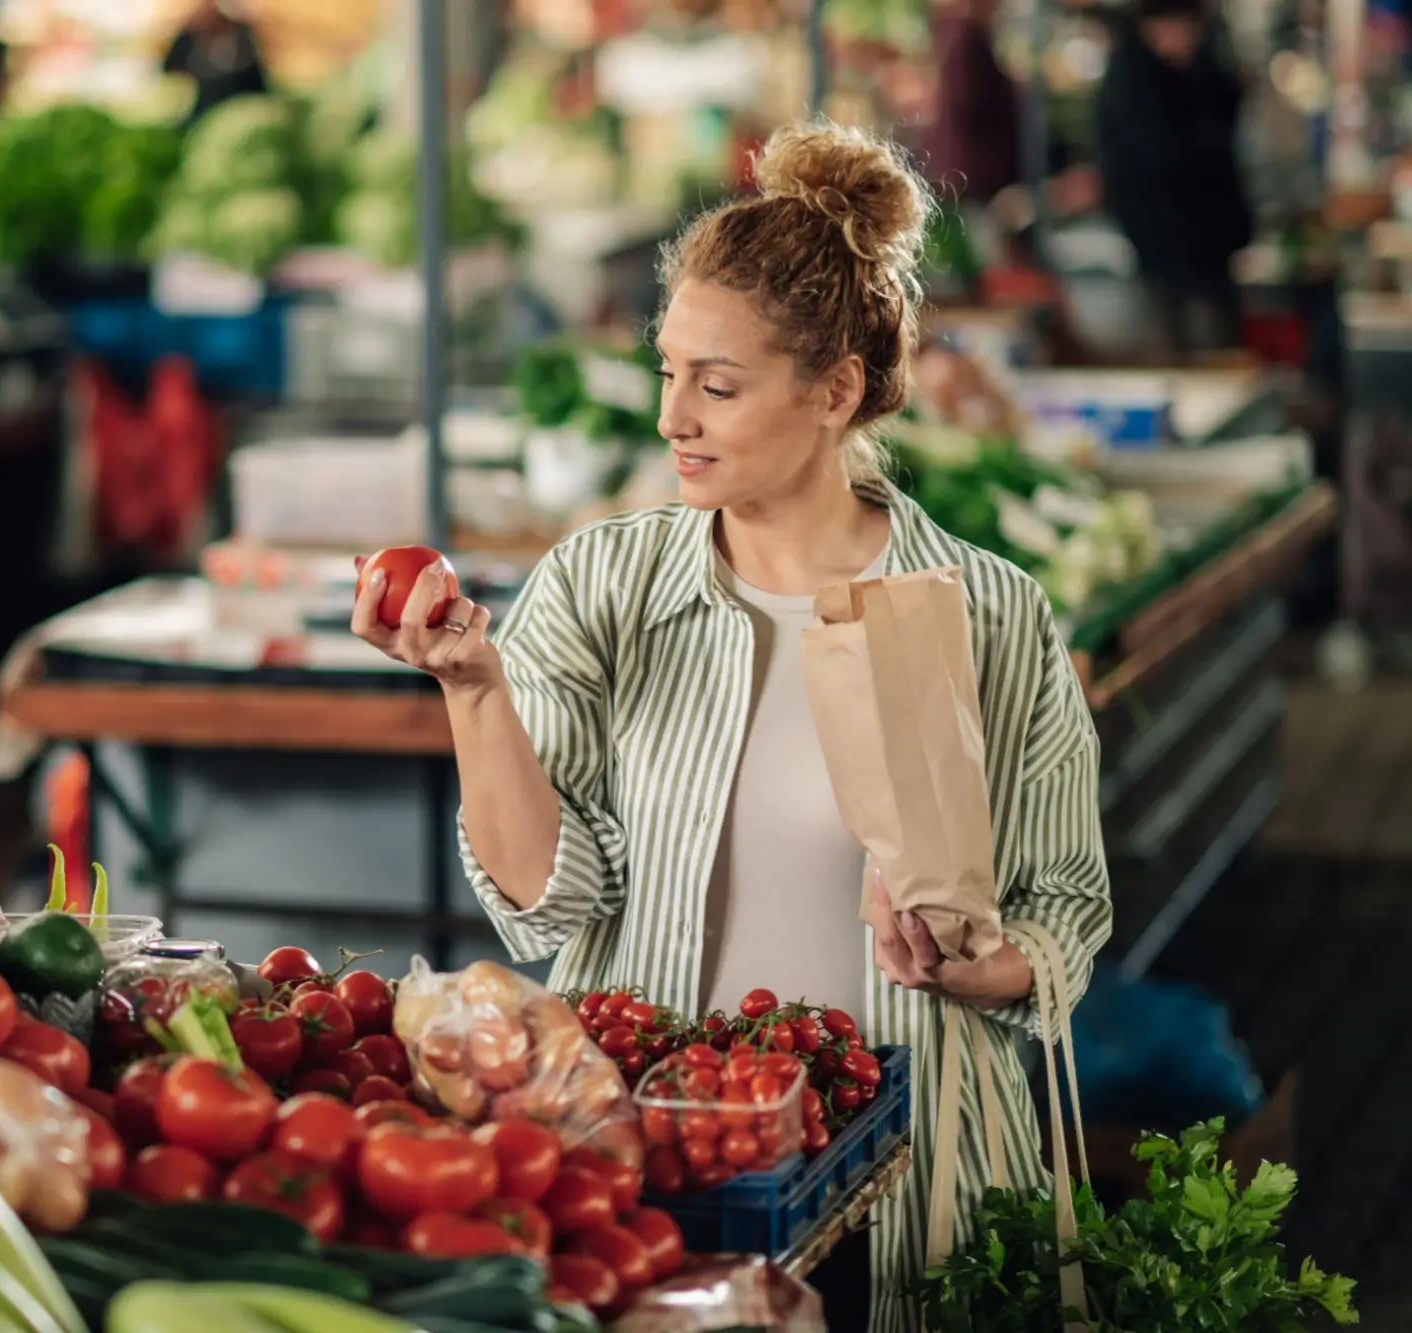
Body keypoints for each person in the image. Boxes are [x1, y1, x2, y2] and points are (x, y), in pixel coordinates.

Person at [352, 123, 1111, 1332]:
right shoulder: (603, 583)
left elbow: (1066, 909)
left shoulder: (987, 613)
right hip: (657, 1187)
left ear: (833, 391)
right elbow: (546, 905)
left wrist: (985, 963)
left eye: (715, 384)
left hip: (915, 1188)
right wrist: (473, 692)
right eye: (666, 372)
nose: (672, 419)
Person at [1094, 0, 1253, 356]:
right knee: (1196, 349)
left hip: (1205, 247)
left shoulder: (1194, 71)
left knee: (1217, 343)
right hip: (1169, 246)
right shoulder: (1133, 81)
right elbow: (1163, 156)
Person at [924, 0, 1021, 205]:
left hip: (967, 168)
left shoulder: (961, 35)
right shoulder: (967, 38)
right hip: (975, 171)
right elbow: (967, 98)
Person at [162, 0, 269, 123]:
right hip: (198, 114)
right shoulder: (186, 40)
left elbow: (255, 79)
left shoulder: (240, 34)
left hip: (239, 110)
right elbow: (171, 73)